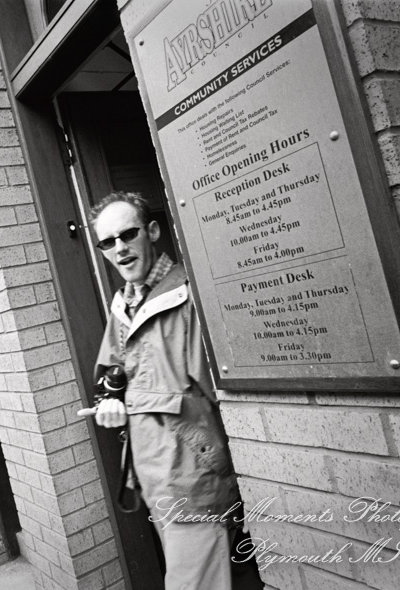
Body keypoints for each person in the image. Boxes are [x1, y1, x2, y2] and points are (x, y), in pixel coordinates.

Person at [88, 192, 243, 590]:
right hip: (153, 479)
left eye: (128, 234)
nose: (119, 248)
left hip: (193, 479)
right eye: (108, 241)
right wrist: (109, 397)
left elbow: (226, 393)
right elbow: (113, 369)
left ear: (152, 231)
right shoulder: (124, 303)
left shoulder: (190, 295)